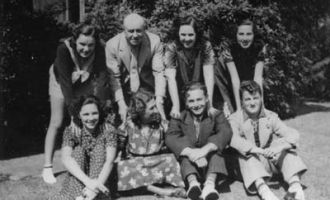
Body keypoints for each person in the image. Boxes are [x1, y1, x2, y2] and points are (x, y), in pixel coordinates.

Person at [43, 22, 113, 184]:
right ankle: (47, 166)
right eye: (82, 44)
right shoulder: (63, 49)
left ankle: (84, 162)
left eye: (90, 45)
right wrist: (74, 115)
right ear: (75, 41)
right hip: (61, 81)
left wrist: (100, 111)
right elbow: (66, 85)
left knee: (89, 117)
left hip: (84, 79)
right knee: (57, 120)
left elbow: (102, 80)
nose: (86, 49)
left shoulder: (101, 49)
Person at [229, 80, 307, 200]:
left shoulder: (270, 116)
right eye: (247, 99)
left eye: (255, 98)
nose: (252, 103)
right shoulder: (235, 119)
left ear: (261, 98)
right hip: (248, 167)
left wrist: (278, 148)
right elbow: (234, 139)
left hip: (267, 160)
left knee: (284, 146)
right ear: (242, 102)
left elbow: (292, 134)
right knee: (246, 154)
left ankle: (296, 188)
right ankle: (265, 192)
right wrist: (258, 150)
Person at [165, 82, 232, 200]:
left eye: (199, 99)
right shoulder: (180, 117)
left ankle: (209, 186)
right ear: (186, 103)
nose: (196, 105)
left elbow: (225, 132)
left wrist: (205, 150)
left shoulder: (216, 115)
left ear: (206, 98)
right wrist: (191, 153)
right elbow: (171, 136)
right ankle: (193, 184)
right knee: (183, 156)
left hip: (210, 164)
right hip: (191, 164)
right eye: (191, 101)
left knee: (217, 152)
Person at [116, 89, 185, 197]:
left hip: (156, 162)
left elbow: (173, 138)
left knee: (171, 159)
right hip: (136, 164)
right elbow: (119, 145)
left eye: (155, 106)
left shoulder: (160, 123)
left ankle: (173, 188)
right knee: (123, 167)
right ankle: (158, 190)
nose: (156, 110)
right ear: (140, 110)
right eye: (152, 108)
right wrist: (118, 156)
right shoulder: (129, 125)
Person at [50, 95, 117, 200]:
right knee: (78, 151)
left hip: (101, 179)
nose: (91, 118)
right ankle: (79, 195)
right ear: (79, 115)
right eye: (86, 114)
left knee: (99, 149)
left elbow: (110, 160)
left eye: (94, 113)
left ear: (100, 113)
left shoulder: (107, 129)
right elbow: (66, 158)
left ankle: (93, 196)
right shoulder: (72, 130)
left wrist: (95, 188)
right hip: (81, 179)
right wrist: (89, 183)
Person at [105, 13, 166, 124]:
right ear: (124, 31)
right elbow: (114, 78)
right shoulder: (112, 45)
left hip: (147, 88)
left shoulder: (155, 41)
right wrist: (120, 103)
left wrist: (159, 99)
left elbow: (159, 73)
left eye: (139, 31)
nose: (135, 35)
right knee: (123, 122)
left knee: (152, 121)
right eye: (131, 31)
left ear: (144, 30)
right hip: (123, 88)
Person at [165, 15, 220, 119]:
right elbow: (170, 78)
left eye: (190, 35)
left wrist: (209, 105)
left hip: (202, 93)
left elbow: (209, 76)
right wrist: (175, 106)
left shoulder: (205, 46)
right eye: (183, 35)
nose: (186, 39)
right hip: (179, 93)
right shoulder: (171, 47)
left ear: (197, 34)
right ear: (178, 34)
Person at [220, 19, 266, 111]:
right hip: (224, 76)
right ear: (235, 35)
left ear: (254, 35)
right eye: (241, 34)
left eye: (249, 34)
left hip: (244, 73)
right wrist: (239, 109)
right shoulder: (227, 46)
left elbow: (257, 78)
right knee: (232, 111)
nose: (245, 38)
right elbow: (234, 79)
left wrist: (261, 107)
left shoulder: (260, 46)